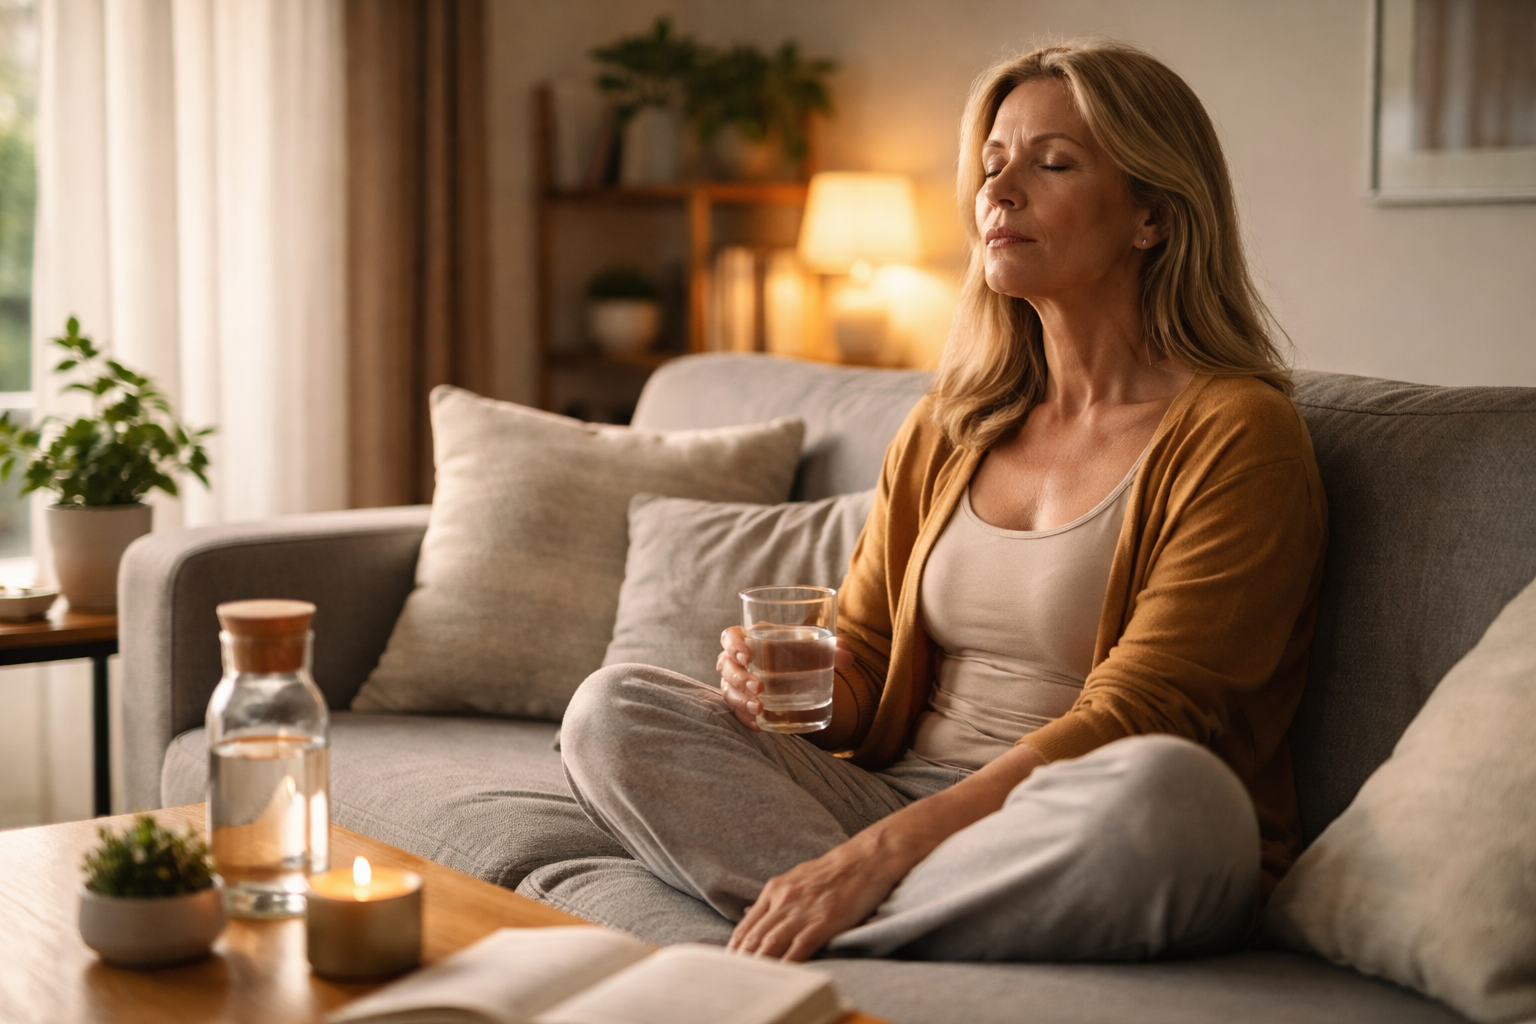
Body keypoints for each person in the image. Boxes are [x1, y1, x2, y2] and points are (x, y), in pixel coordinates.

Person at [561, 40, 1327, 964]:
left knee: (1173, 797)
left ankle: (842, 905)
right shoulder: (948, 428)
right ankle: (904, 920)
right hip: (903, 797)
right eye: (994, 165)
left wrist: (879, 854)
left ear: (1152, 217)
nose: (1000, 193)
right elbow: (867, 664)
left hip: (1080, 817)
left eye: (1053, 164)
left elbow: (1149, 716)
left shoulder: (1238, 433)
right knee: (614, 709)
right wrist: (788, 687)